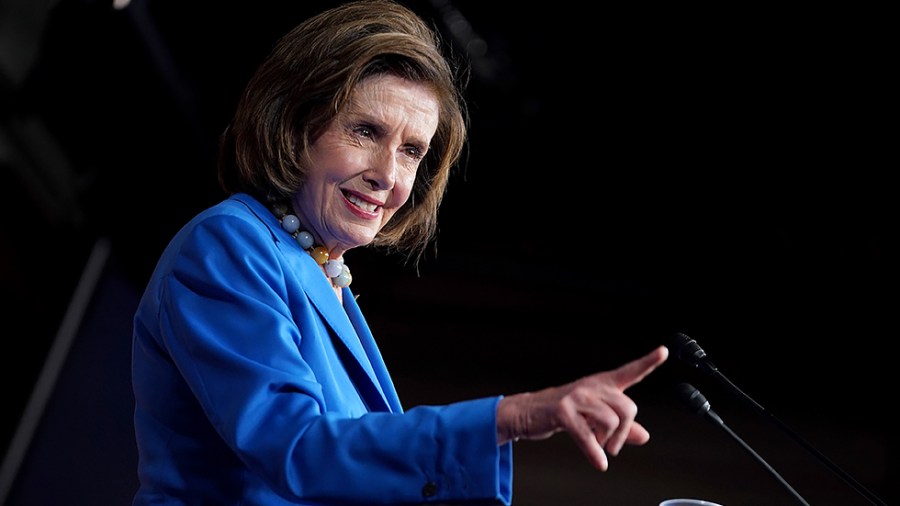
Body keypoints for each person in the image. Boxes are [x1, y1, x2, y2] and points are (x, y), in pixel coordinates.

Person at [130, 1, 669, 504]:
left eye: (411, 151)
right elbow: (297, 448)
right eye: (366, 131)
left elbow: (360, 470)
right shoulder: (227, 246)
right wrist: (512, 416)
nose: (388, 176)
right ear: (295, 126)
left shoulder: (320, 268)